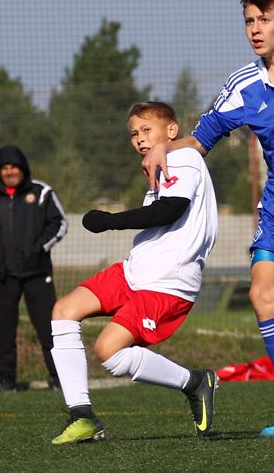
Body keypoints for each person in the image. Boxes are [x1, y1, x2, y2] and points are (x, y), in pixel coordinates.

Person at [142, 0, 274, 438]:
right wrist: (162, 147)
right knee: (262, 294)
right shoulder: (244, 86)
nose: (255, 30)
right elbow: (201, 140)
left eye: (265, 19)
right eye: (249, 21)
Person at [50, 102, 218, 445]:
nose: (140, 139)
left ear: (171, 131)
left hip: (168, 283)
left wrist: (110, 221)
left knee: (108, 351)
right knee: (64, 311)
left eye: (147, 130)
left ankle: (194, 382)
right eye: (133, 134)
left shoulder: (183, 158)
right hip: (135, 272)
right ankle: (82, 416)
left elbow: (170, 210)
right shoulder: (159, 166)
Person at [0, 145, 68, 393]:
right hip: (4, 277)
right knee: (2, 331)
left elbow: (60, 223)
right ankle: (7, 382)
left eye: (14, 167)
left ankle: (60, 379)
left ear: (22, 169)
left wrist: (39, 249)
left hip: (37, 274)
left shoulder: (41, 192)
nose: (9, 172)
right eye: (5, 168)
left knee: (50, 329)